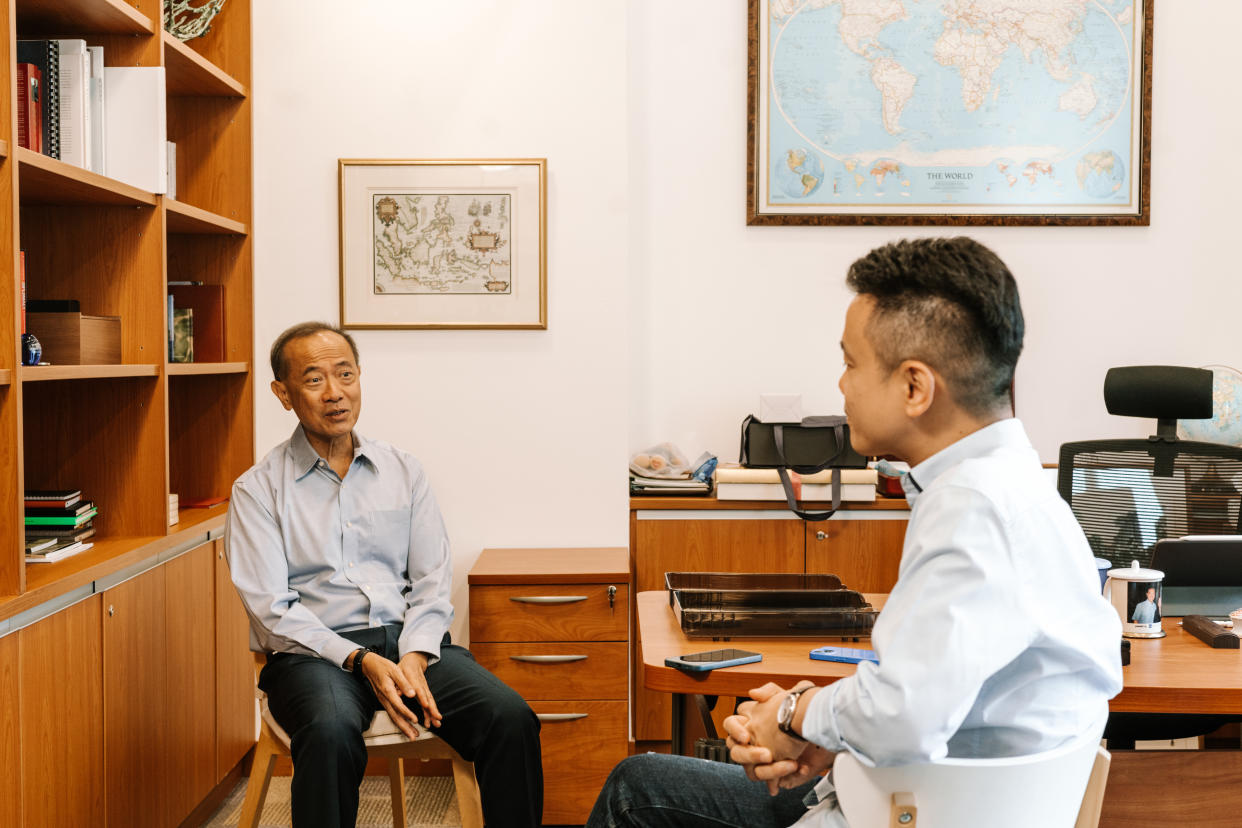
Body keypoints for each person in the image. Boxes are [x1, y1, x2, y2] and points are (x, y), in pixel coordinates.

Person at [586, 237, 1124, 828]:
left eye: (850, 362)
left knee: (633, 794)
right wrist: (832, 741)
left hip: (903, 812)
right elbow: (943, 701)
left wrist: (796, 711)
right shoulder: (1015, 486)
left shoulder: (971, 509)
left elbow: (904, 716)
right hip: (918, 791)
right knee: (637, 782)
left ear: (914, 387)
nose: (840, 385)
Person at [225, 321, 542, 828]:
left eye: (345, 374)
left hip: (410, 644)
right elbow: (271, 609)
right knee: (329, 735)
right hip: (316, 655)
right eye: (313, 380)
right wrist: (361, 659)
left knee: (509, 717)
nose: (335, 393)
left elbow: (432, 578)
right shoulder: (257, 490)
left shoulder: (404, 470)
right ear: (282, 394)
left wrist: (415, 655)